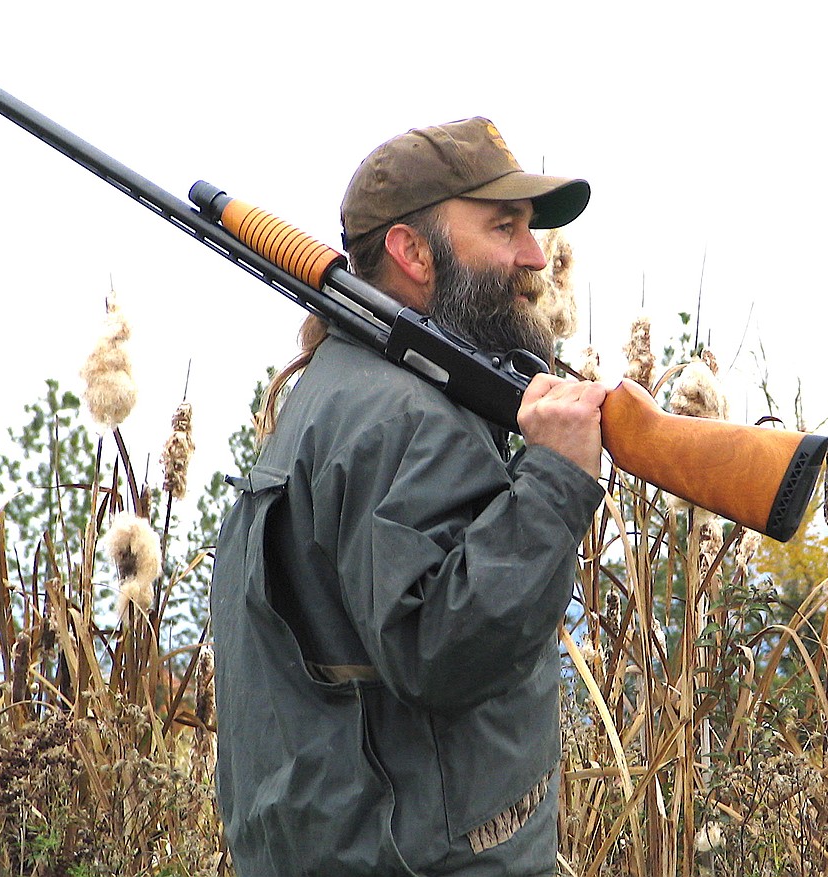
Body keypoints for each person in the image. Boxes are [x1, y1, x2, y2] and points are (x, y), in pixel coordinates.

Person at [209, 117, 607, 876]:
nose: (535, 256)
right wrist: (556, 478)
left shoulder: (336, 393)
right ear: (412, 251)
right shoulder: (407, 418)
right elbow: (440, 648)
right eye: (504, 227)